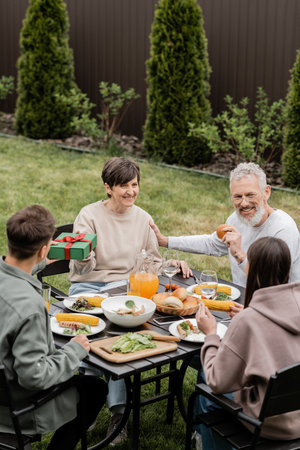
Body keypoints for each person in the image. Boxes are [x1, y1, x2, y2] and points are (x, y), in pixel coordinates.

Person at [68, 156, 191, 444]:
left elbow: (153, 263)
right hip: (90, 287)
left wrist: (173, 263)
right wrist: (84, 254)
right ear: (108, 187)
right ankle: (89, 406)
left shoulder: (142, 217)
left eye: (134, 185)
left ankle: (117, 413)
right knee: (97, 334)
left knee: (125, 332)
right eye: (123, 186)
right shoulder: (88, 216)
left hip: (126, 289)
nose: (131, 192)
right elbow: (80, 268)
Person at [0, 205, 107, 450]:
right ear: (44, 248)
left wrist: (40, 262)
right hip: (16, 409)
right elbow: (33, 376)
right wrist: (74, 350)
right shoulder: (29, 306)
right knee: (95, 388)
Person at [194, 237, 300, 450]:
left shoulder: (248, 321)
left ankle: (207, 442)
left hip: (270, 423)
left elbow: (218, 382)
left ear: (253, 269)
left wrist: (211, 334)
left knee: (206, 383)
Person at [150, 162, 300, 291]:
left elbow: (271, 286)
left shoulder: (283, 230)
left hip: (280, 309)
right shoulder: (237, 218)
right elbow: (212, 244)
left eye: (250, 195)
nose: (244, 203)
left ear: (266, 192)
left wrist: (240, 255)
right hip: (243, 298)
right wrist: (166, 241)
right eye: (238, 196)